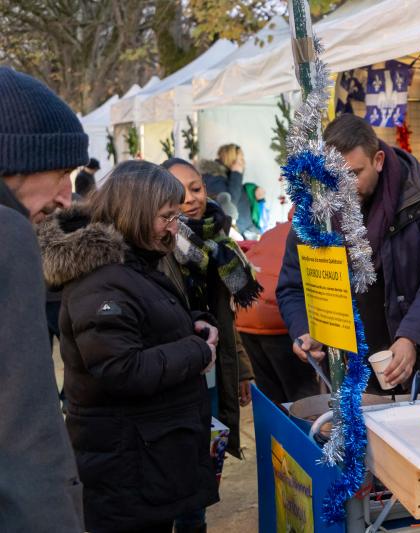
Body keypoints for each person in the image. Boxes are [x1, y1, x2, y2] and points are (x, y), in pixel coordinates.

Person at [37, 160, 220, 532]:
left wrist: (192, 322)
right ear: (135, 213)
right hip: (128, 466)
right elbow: (122, 368)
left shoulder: (129, 264)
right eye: (166, 216)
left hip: (145, 458)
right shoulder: (103, 278)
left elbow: (141, 323)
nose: (174, 226)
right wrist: (198, 351)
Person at [277, 114, 420, 397]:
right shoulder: (316, 210)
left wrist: (412, 337)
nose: (343, 187)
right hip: (350, 369)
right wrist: (304, 330)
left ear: (378, 160)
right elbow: (292, 286)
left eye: (354, 174)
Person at [0, 66, 85, 532]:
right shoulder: (6, 233)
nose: (67, 197)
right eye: (62, 172)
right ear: (17, 160)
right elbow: (24, 432)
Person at [160, 157, 260, 532]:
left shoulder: (220, 241)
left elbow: (227, 316)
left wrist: (243, 371)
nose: (190, 199)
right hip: (172, 374)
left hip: (213, 374)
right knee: (175, 464)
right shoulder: (157, 245)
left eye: (196, 188)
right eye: (177, 192)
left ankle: (194, 523)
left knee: (205, 461)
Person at [236, 214, 319, 404]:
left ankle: (278, 432)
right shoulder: (311, 230)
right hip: (278, 319)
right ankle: (305, 431)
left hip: (245, 315)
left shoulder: (273, 231)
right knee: (302, 396)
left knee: (272, 396)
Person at [199, 144, 265, 239]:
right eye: (241, 159)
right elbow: (230, 204)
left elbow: (239, 195)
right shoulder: (212, 176)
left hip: (248, 231)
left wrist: (255, 193)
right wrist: (237, 173)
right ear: (231, 159)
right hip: (238, 236)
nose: (244, 163)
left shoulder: (227, 175)